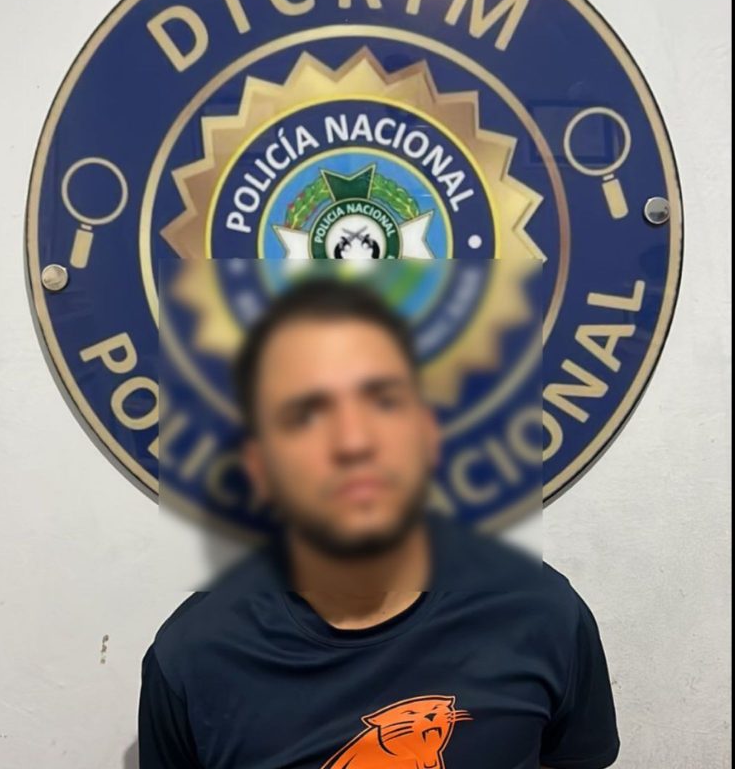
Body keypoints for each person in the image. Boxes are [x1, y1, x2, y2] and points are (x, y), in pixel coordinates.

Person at [139, 276, 620, 769]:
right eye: (306, 415)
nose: (353, 443)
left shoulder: (543, 612)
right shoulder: (190, 660)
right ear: (259, 466)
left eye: (383, 401)